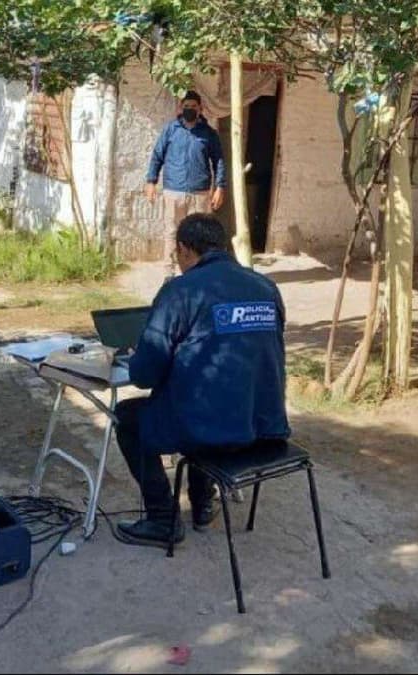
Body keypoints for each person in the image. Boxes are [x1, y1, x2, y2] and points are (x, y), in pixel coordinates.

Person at [116, 214, 290, 547]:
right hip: (262, 427)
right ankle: (202, 504)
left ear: (182, 249)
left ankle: (163, 520)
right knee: (213, 399)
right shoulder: (266, 287)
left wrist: (146, 352)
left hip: (212, 431)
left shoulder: (180, 291)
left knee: (130, 418)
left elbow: (143, 375)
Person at [144, 91, 227, 278]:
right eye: (186, 106)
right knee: (172, 232)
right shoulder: (170, 130)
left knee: (199, 235)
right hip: (174, 191)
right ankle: (169, 273)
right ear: (180, 108)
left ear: (200, 109)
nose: (190, 110)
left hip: (200, 193)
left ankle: (198, 272)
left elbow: (219, 161)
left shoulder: (208, 133)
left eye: (194, 107)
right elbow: (157, 156)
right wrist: (151, 182)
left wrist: (220, 187)